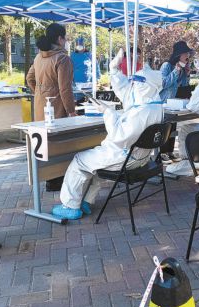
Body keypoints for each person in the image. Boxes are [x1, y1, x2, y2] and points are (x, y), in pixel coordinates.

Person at [51, 57, 164, 220]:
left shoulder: (141, 112)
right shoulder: (154, 104)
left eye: (137, 82)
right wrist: (114, 70)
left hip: (124, 158)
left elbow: (118, 136)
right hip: (141, 158)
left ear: (145, 86)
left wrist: (107, 112)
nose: (133, 85)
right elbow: (126, 92)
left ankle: (70, 206)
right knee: (96, 163)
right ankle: (87, 201)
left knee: (79, 161)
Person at [27, 23, 76, 192]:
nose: (66, 40)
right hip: (56, 107)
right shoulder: (62, 59)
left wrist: (40, 92)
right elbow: (65, 89)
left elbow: (29, 78)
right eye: (65, 37)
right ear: (60, 39)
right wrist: (71, 111)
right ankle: (57, 180)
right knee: (58, 144)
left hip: (40, 105)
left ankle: (48, 179)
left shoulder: (38, 57)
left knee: (44, 143)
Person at [159, 41, 192, 162]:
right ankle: (162, 153)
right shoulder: (166, 66)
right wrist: (175, 71)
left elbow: (184, 86)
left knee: (173, 126)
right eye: (186, 53)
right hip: (164, 102)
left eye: (188, 53)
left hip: (174, 103)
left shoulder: (182, 69)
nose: (188, 56)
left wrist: (186, 74)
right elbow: (163, 83)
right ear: (179, 54)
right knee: (165, 127)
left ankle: (170, 151)